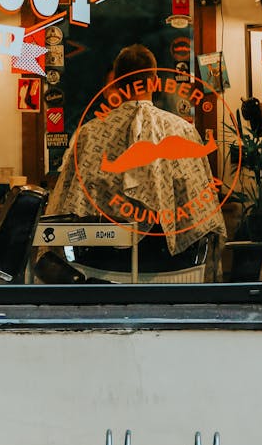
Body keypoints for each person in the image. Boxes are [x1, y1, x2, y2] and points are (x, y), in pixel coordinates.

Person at [36, 43, 226, 283]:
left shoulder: (90, 134)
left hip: (99, 264)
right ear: (155, 81)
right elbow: (203, 216)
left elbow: (65, 208)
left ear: (115, 82)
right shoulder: (182, 131)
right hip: (171, 264)